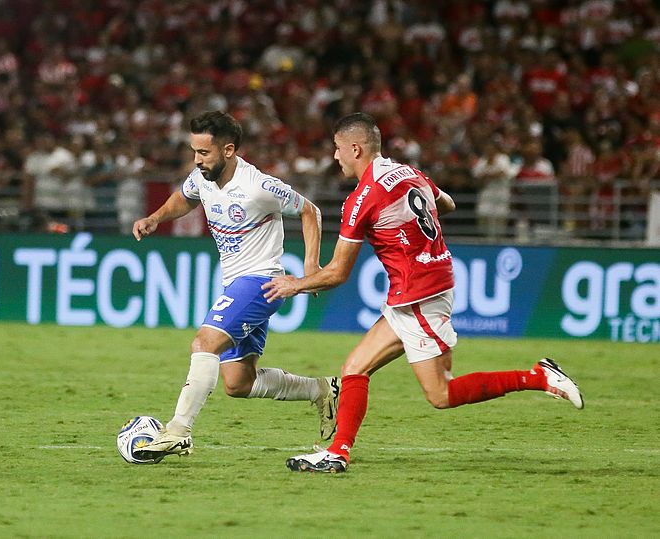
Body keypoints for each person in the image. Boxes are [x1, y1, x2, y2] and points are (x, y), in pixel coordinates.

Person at [263, 112, 583, 474]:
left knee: (441, 394)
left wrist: (296, 284)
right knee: (355, 368)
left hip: (418, 293)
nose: (335, 157)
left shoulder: (361, 198)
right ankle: (338, 453)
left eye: (337, 149)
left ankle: (538, 377)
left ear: (355, 148)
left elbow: (336, 273)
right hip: (424, 284)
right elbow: (446, 203)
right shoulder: (406, 172)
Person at [131, 111, 339, 461]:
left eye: (204, 153)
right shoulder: (203, 178)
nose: (197, 160)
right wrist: (155, 218)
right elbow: (185, 197)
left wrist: (310, 267)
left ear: (228, 150)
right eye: (195, 151)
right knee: (238, 383)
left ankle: (178, 431)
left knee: (204, 342)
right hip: (235, 284)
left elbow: (310, 211)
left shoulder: (259, 186)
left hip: (260, 281)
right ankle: (323, 390)